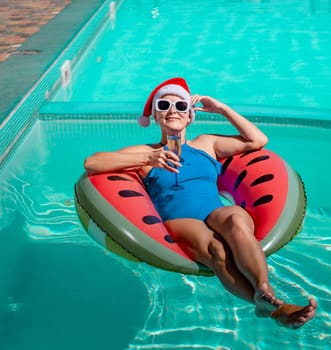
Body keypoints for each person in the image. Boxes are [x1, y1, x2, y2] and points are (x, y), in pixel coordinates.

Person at [84, 77, 317, 329]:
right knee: (217, 250)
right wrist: (150, 157)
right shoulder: (145, 152)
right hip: (180, 218)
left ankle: (263, 288)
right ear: (155, 116)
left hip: (213, 211)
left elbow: (257, 140)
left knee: (237, 218)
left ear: (190, 115)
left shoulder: (206, 143)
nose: (172, 110)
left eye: (180, 106)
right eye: (164, 105)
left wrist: (223, 109)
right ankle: (275, 309)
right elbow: (92, 163)